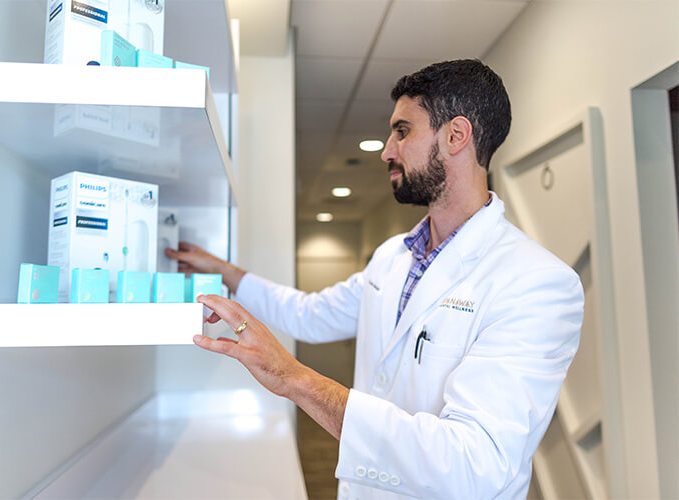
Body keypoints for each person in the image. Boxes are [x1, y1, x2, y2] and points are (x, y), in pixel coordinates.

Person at [165, 59, 584, 500]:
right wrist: (227, 274)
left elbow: (473, 466)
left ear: (456, 136)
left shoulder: (538, 283)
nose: (386, 150)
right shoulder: (392, 258)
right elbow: (309, 316)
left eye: (402, 131)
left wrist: (295, 378)